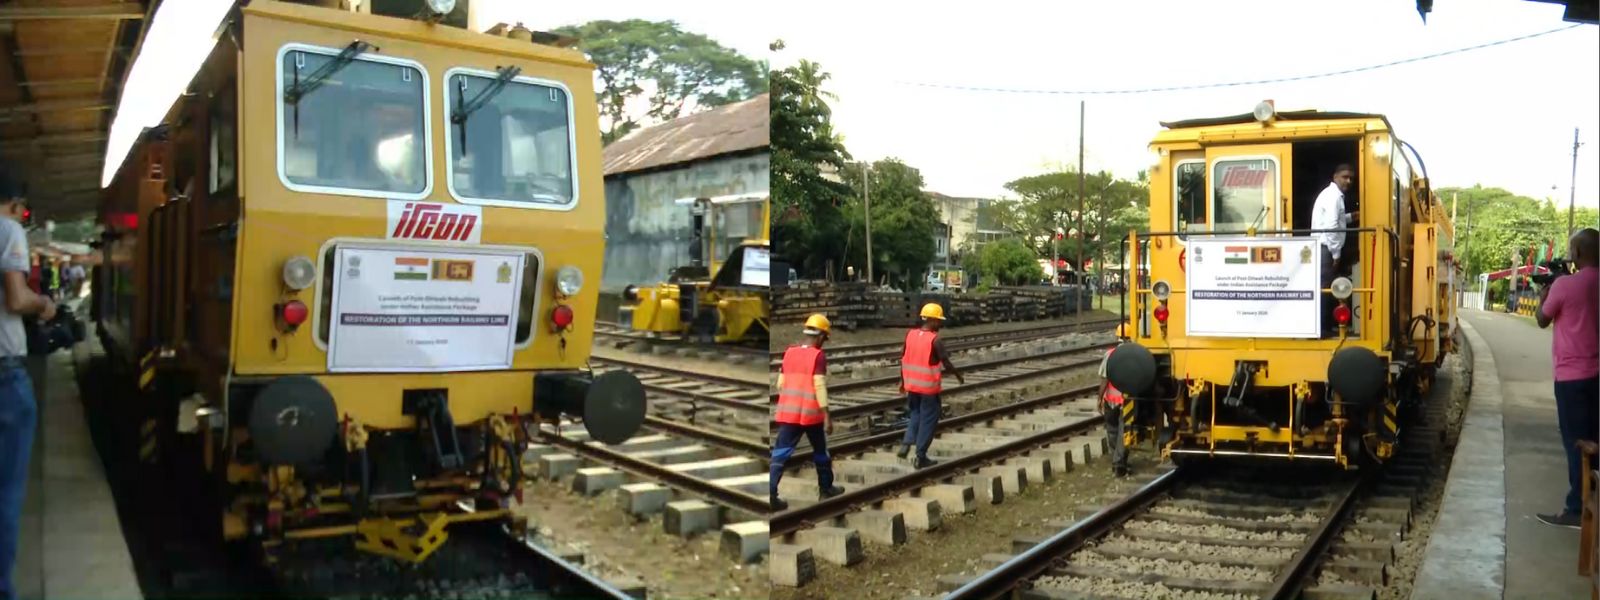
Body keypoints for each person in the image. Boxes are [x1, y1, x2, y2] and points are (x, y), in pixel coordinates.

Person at [0, 166, 56, 600]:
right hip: (4, 378)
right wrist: (44, 305)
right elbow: (17, 299)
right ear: (16, 205)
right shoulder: (8, 231)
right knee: (7, 492)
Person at [1534, 227, 1599, 529]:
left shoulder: (1565, 285)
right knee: (1594, 440)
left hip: (1571, 377)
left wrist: (1542, 297)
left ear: (1577, 252)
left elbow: (1542, 319)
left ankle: (1576, 508)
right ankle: (1592, 499)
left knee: (1576, 443)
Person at [769, 314, 845, 511]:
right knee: (820, 451)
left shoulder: (790, 352)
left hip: (789, 413)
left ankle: (770, 493)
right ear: (820, 336)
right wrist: (826, 415)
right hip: (811, 414)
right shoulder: (817, 356)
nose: (824, 342)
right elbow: (819, 386)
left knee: (780, 453)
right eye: (825, 338)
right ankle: (825, 489)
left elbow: (780, 384)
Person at [895, 303, 964, 469]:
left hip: (912, 386)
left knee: (915, 414)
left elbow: (904, 359)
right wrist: (958, 376)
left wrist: (903, 382)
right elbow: (946, 363)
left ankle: (906, 443)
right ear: (932, 320)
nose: (940, 324)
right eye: (939, 320)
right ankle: (920, 456)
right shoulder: (935, 340)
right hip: (928, 389)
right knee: (928, 420)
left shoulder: (910, 335)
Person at [1312, 164, 1357, 337]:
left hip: (1325, 247)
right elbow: (1331, 227)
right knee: (1323, 288)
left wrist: (1351, 217)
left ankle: (1324, 326)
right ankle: (1320, 329)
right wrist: (1336, 253)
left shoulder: (1331, 195)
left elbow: (1336, 220)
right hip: (1326, 249)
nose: (1348, 181)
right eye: (1345, 177)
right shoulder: (1334, 197)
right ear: (1335, 176)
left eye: (1351, 178)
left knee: (1326, 287)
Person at [1100, 324, 1132, 476]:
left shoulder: (1110, 354)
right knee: (1123, 431)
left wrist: (1099, 397)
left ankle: (1116, 458)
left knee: (1112, 429)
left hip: (1110, 400)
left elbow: (1104, 379)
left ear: (1117, 336)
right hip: (1126, 400)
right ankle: (1119, 461)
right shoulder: (1133, 355)